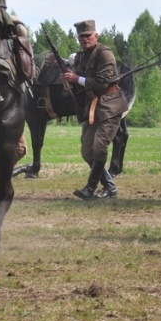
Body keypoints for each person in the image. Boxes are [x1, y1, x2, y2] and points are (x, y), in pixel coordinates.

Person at [62, 20, 128, 200]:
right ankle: (110, 186)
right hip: (92, 106)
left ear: (95, 36)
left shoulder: (105, 54)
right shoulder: (82, 57)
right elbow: (79, 80)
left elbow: (103, 81)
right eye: (81, 37)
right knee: (86, 152)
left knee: (99, 147)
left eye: (88, 36)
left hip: (110, 105)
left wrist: (77, 79)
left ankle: (90, 188)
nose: (84, 39)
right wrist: (70, 82)